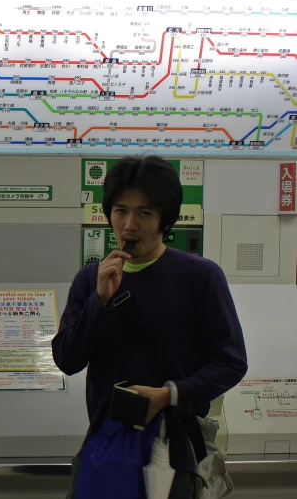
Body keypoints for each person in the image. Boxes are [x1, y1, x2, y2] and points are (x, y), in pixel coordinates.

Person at [52, 155, 248, 498]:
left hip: (172, 455)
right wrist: (98, 302)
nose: (129, 224)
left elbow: (230, 361)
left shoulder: (200, 277)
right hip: (105, 446)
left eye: (145, 213)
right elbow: (68, 360)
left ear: (164, 220)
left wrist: (169, 395)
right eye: (120, 210)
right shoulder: (89, 280)